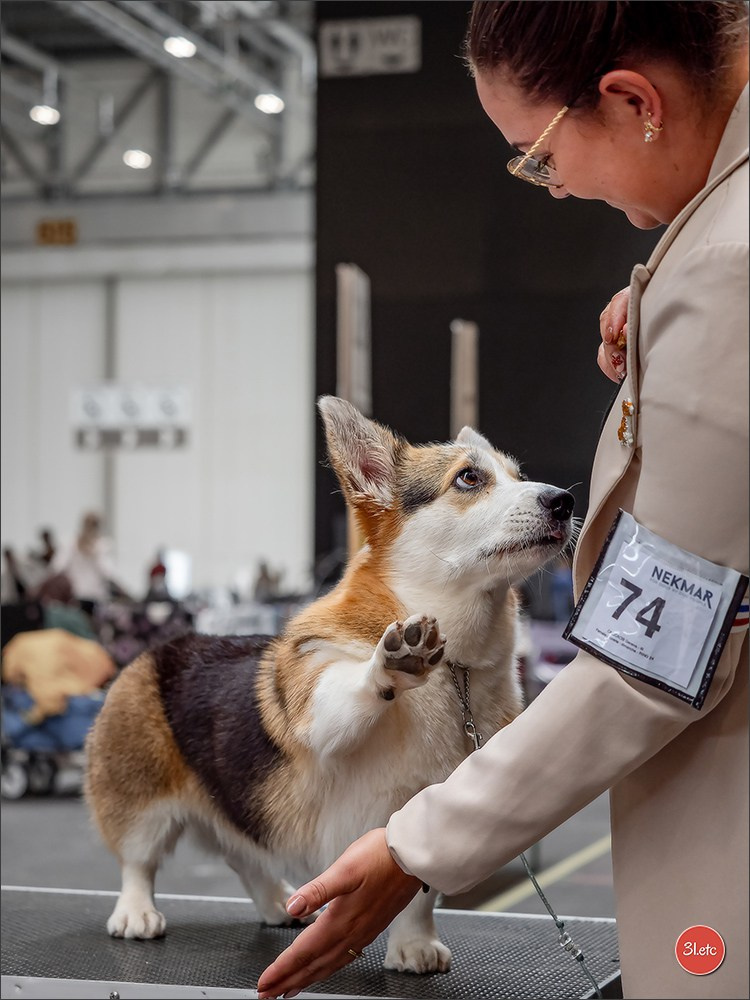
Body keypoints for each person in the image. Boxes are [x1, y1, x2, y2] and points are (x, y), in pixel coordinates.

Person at [258, 4, 748, 998]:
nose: (554, 187)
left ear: (632, 102)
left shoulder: (733, 270)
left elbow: (655, 658)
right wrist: (672, 296)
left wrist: (413, 847)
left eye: (538, 156)